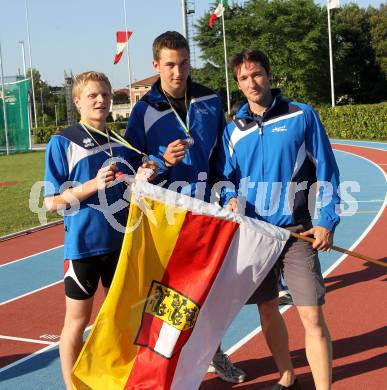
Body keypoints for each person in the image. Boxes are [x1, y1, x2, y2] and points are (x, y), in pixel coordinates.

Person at [124, 31, 246, 384]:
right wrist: (161, 161)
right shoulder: (144, 110)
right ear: (156, 66)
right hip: (168, 210)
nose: (178, 72)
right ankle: (167, 360)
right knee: (169, 290)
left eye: (184, 64)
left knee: (208, 288)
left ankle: (213, 352)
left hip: (207, 207)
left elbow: (223, 153)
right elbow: (133, 163)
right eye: (170, 66)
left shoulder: (209, 98)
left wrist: (229, 191)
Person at [219, 49, 340, 390]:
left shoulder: (302, 115)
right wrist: (229, 199)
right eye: (243, 78)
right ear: (238, 84)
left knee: (312, 316)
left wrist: (327, 221)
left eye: (256, 74)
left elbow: (328, 171)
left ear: (269, 74)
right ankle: (287, 375)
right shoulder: (233, 131)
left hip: (297, 234)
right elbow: (225, 179)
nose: (251, 82)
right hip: (256, 236)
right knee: (267, 310)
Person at [43, 71, 156, 389]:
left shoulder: (120, 142)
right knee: (76, 323)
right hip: (83, 247)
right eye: (92, 95)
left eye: (105, 95)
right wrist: (93, 185)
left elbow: (139, 178)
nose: (101, 100)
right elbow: (52, 202)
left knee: (119, 321)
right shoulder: (62, 142)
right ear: (77, 101)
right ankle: (72, 385)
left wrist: (148, 170)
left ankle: (112, 379)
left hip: (121, 244)